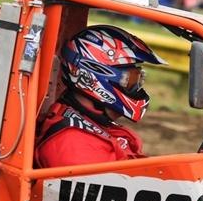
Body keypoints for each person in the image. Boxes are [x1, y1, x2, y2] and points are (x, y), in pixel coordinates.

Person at [35, 25, 167, 168]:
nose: (136, 88)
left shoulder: (90, 125)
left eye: (139, 80)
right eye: (131, 81)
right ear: (95, 74)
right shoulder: (74, 144)